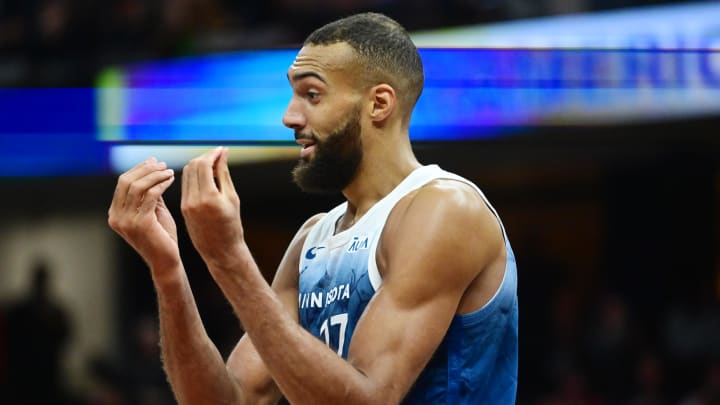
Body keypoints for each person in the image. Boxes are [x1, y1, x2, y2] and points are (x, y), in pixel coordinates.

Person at [108, 12, 518, 404]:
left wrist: (228, 258)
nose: (290, 116)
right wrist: (168, 271)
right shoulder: (314, 238)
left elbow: (368, 400)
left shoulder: (445, 208)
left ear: (378, 104)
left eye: (312, 94)